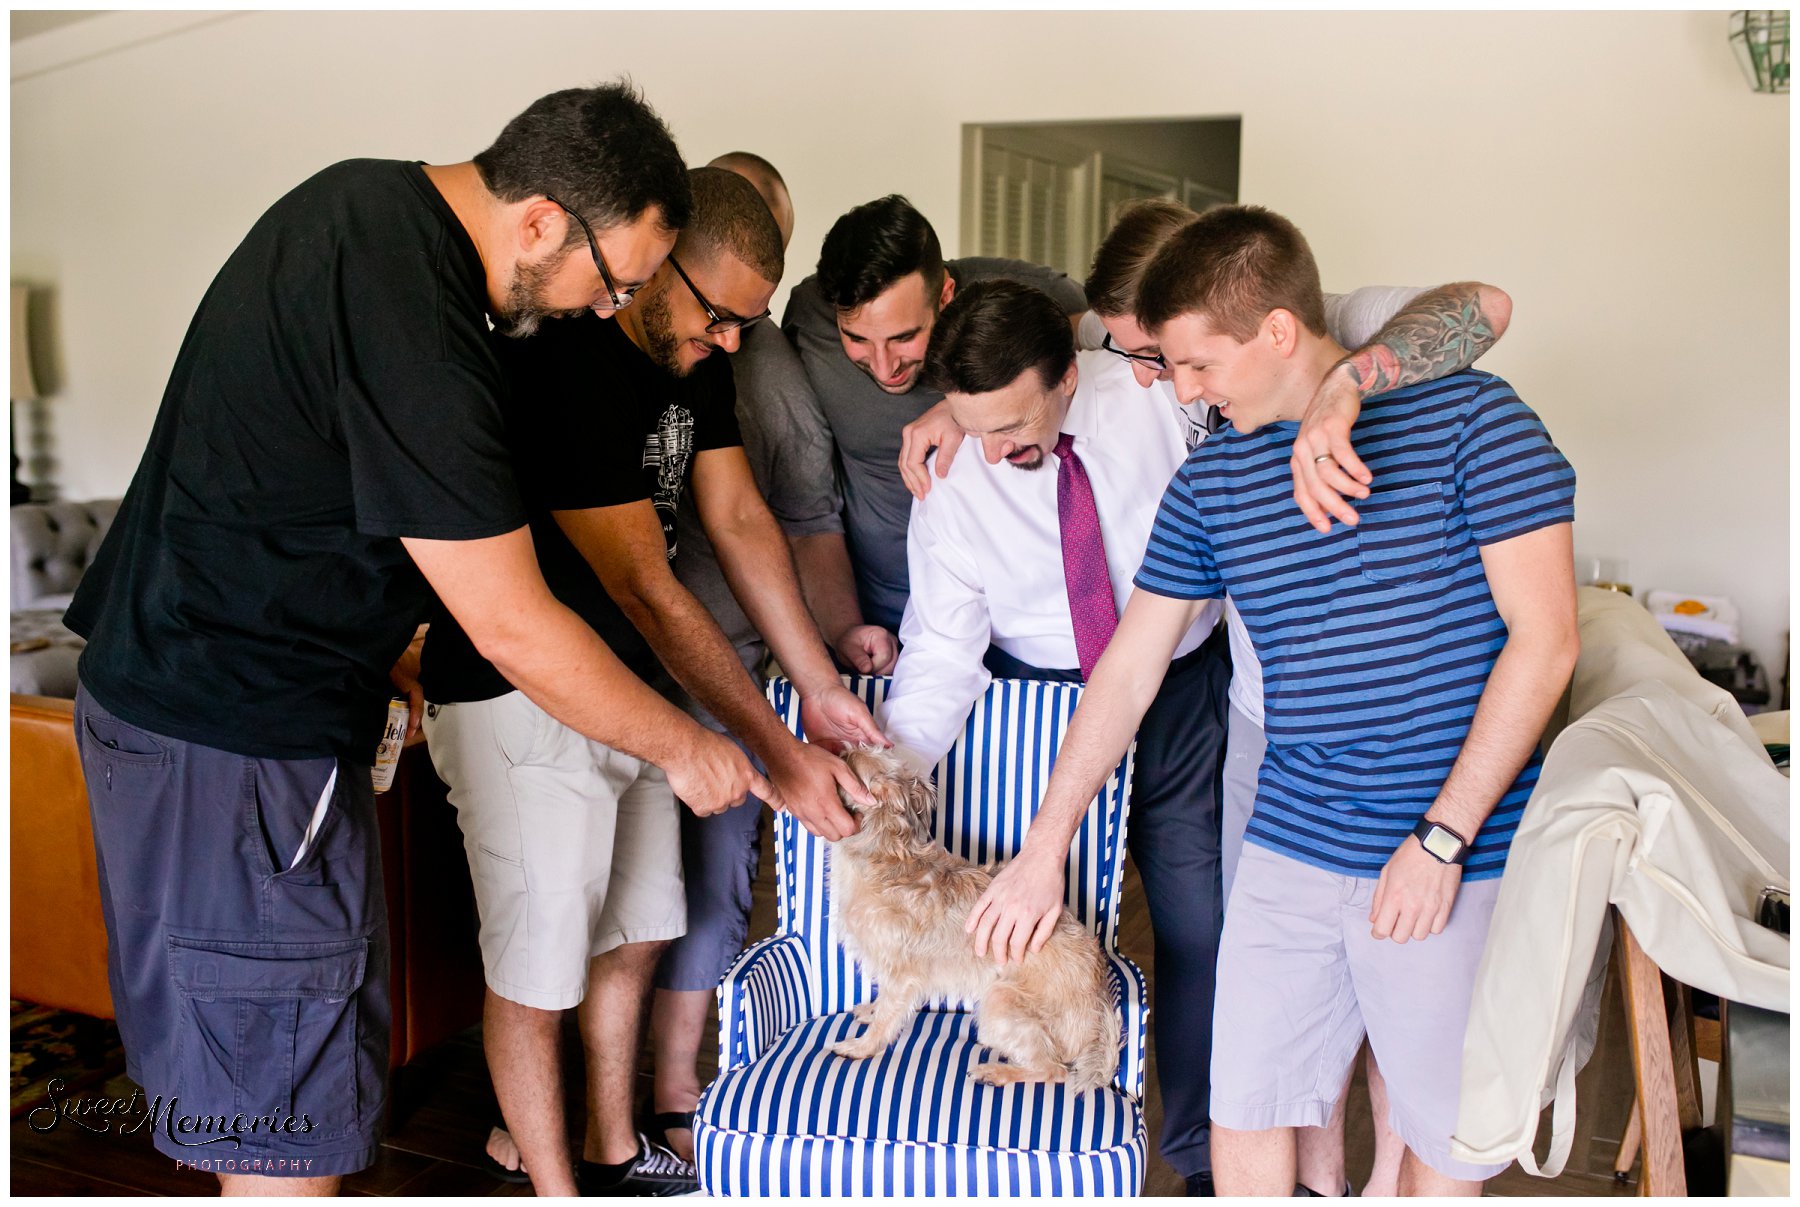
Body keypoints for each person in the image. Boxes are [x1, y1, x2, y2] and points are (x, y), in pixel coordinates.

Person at [60, 83, 779, 1196]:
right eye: (617, 278)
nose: (606, 309)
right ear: (543, 220)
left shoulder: (361, 208)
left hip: (190, 710)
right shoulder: (419, 318)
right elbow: (510, 618)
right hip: (238, 737)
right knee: (280, 1122)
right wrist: (688, 749)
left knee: (254, 1084)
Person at [900, 200, 1515, 1196]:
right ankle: (1292, 1181)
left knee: (1253, 956)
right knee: (1271, 1025)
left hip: (1252, 705)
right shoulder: (1200, 455)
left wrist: (1341, 392)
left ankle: (1234, 1162)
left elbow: (1486, 304)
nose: (1168, 386)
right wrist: (964, 413)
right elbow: (1090, 659)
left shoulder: (1383, 371)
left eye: (1179, 359)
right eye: (1145, 358)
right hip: (1210, 719)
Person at [420, 167, 883, 1197]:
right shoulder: (569, 362)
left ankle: (613, 1146)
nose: (729, 343)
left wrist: (810, 687)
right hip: (523, 697)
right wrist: (773, 753)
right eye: (719, 316)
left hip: (628, 692)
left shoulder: (698, 350)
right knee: (538, 968)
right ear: (654, 259)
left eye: (745, 324)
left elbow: (741, 520)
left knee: (634, 930)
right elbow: (644, 586)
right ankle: (550, 1182)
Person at [644, 151, 849, 1165]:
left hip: (724, 654)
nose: (730, 331)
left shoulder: (756, 363)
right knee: (619, 894)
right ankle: (604, 1104)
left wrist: (819, 674)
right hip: (631, 658)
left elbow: (776, 520)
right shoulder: (609, 344)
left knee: (705, 883)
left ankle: (674, 1083)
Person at [781, 194, 1089, 644]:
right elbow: (809, 504)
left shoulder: (1019, 295)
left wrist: (964, 404)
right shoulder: (808, 315)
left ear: (945, 295)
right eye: (858, 340)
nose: (885, 366)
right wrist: (842, 626)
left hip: (1008, 626)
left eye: (905, 337)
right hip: (873, 618)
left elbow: (1110, 339)